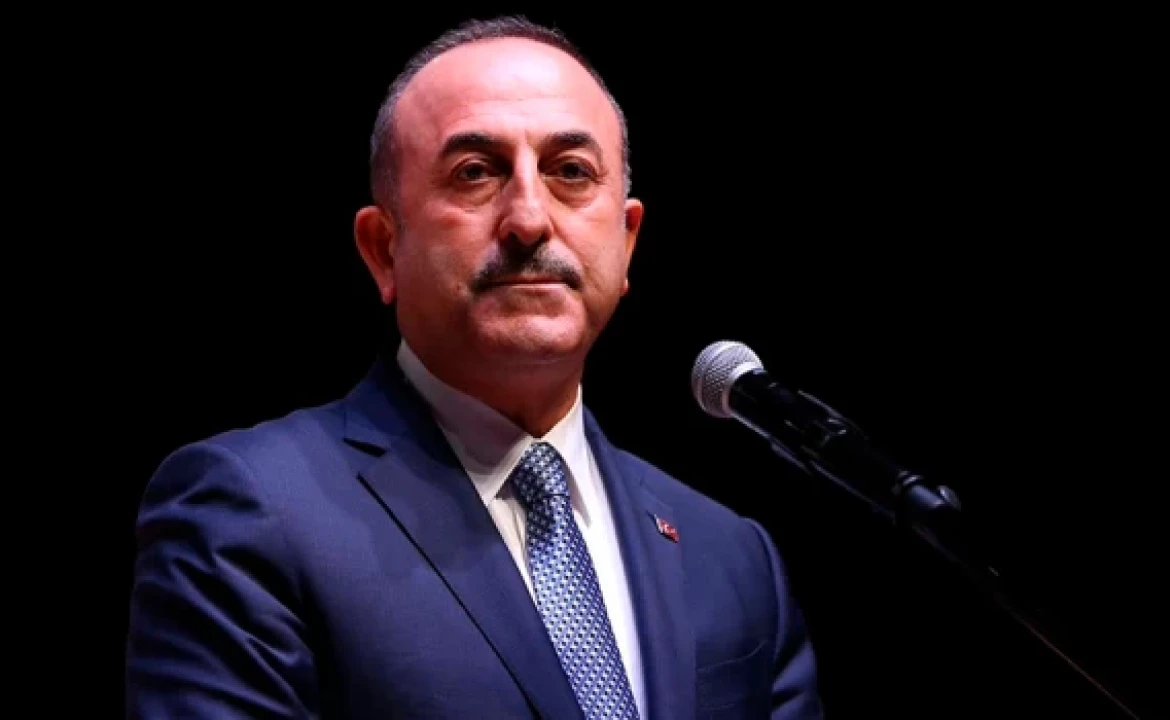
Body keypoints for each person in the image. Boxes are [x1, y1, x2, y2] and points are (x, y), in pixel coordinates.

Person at [125, 15, 821, 719]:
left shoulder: (732, 557)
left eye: (570, 172)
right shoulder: (252, 512)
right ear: (383, 249)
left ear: (627, 241)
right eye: (476, 173)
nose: (529, 220)